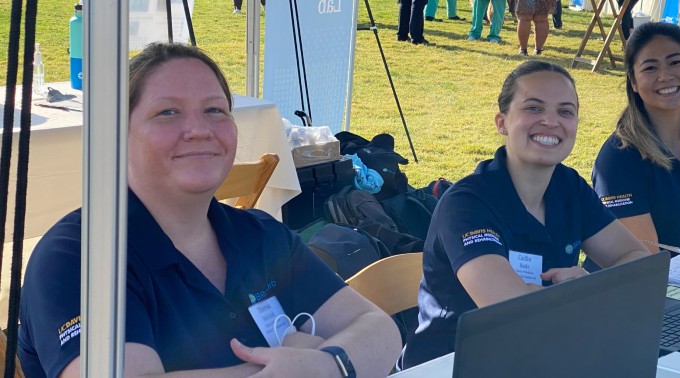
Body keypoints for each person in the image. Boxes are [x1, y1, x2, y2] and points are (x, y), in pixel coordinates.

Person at [17, 42, 402, 378]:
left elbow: (379, 331)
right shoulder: (78, 256)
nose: (199, 129)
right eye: (167, 112)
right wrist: (286, 366)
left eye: (215, 110)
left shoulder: (260, 235)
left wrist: (325, 365)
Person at [402, 61, 651, 368]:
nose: (550, 121)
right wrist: (586, 296)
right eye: (534, 108)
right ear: (502, 122)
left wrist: (587, 287)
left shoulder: (569, 187)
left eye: (565, 111)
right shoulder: (466, 205)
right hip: (453, 365)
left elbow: (638, 262)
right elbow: (514, 317)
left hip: (547, 355)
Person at [583, 22, 680, 271]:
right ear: (633, 81)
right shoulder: (619, 158)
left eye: (675, 62)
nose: (665, 76)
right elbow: (646, 260)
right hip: (632, 291)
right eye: (650, 67)